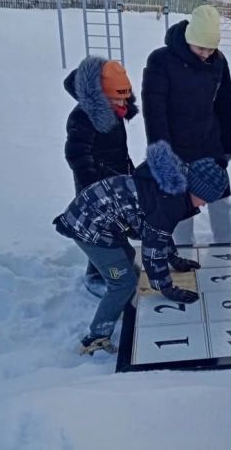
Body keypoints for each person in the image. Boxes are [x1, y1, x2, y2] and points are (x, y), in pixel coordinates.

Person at [54, 141, 229, 355]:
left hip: (100, 220)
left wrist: (174, 260)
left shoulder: (172, 186)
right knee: (123, 282)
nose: (203, 205)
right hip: (89, 228)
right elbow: (153, 249)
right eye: (205, 199)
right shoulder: (170, 201)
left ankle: (120, 307)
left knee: (129, 265)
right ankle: (96, 338)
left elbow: (160, 232)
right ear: (196, 188)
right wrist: (166, 288)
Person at [142, 4, 231, 246]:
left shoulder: (218, 61)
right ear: (188, 38)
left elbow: (225, 104)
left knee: (221, 200)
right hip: (176, 147)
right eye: (201, 47)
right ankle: (184, 250)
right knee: (180, 206)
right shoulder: (161, 60)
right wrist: (162, 154)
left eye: (211, 48)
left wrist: (228, 144)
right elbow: (154, 111)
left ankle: (224, 247)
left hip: (210, 144)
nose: (206, 53)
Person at [63, 56, 137, 298]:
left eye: (125, 96)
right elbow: (76, 154)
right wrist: (92, 190)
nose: (122, 102)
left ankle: (118, 268)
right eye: (117, 97)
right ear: (102, 94)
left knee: (117, 229)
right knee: (101, 233)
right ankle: (97, 275)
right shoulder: (83, 116)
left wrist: (129, 173)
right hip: (93, 187)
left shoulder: (115, 109)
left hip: (115, 181)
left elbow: (117, 149)